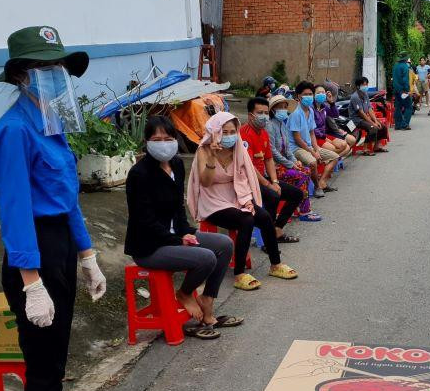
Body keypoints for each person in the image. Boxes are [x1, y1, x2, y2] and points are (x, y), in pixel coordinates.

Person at [0, 25, 109, 391]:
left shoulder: (49, 123)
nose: (56, 76)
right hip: (33, 254)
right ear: (21, 75)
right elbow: (15, 209)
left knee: (48, 366)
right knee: (44, 373)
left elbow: (66, 196)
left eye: (59, 67)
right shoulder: (13, 130)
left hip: (57, 245)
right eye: (45, 68)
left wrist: (87, 255)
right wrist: (31, 281)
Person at [125, 115, 242, 341]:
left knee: (224, 245)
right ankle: (185, 293)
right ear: (147, 141)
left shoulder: (177, 164)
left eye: (167, 138)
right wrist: (179, 241)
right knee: (206, 257)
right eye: (156, 139)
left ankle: (208, 298)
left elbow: (178, 206)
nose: (163, 143)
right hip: (149, 246)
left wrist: (186, 231)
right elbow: (144, 221)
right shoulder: (139, 174)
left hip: (174, 236)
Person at [187, 112, 298, 290]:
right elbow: (206, 182)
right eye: (225, 132)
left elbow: (245, 177)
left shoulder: (238, 148)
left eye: (233, 132)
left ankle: (275, 264)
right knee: (246, 220)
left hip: (236, 197)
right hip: (213, 201)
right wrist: (212, 159)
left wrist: (248, 199)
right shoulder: (204, 150)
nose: (230, 136)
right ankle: (239, 274)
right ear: (215, 132)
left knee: (264, 217)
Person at [240, 97, 303, 243]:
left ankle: (277, 230)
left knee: (296, 194)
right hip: (248, 181)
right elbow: (249, 166)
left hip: (263, 179)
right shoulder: (244, 134)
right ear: (251, 115)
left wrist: (274, 181)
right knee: (273, 196)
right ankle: (267, 240)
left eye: (266, 112)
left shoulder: (263, 133)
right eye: (260, 112)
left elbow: (268, 159)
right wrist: (269, 185)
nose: (264, 116)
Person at [266, 95, 320, 222]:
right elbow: (273, 151)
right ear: (273, 110)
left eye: (285, 107)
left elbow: (288, 149)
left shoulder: (282, 125)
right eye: (280, 107)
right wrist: (290, 164)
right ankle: (303, 210)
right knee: (302, 175)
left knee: (305, 170)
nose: (283, 110)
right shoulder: (269, 126)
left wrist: (294, 161)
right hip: (273, 167)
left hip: (284, 163)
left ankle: (301, 207)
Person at [287, 81, 338, 198]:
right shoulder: (296, 113)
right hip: (296, 148)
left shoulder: (310, 110)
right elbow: (297, 139)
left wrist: (316, 148)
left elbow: (312, 133)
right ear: (299, 96)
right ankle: (317, 187)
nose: (309, 97)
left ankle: (322, 182)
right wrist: (313, 152)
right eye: (306, 94)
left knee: (334, 157)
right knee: (312, 162)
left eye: (311, 94)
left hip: (309, 146)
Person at [349, 76, 388, 155]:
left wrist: (376, 121)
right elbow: (361, 113)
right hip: (356, 120)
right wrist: (373, 123)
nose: (365, 86)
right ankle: (365, 149)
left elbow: (370, 109)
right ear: (358, 86)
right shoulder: (355, 97)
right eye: (364, 85)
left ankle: (377, 146)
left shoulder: (365, 94)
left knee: (382, 126)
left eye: (366, 84)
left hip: (364, 118)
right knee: (372, 128)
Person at [313, 85, 352, 158]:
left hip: (324, 135)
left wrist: (331, 102)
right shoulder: (311, 109)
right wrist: (325, 138)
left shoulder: (323, 106)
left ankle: (332, 160)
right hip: (316, 137)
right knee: (335, 149)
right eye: (318, 93)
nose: (321, 94)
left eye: (323, 92)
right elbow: (312, 129)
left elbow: (335, 114)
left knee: (346, 147)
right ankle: (332, 159)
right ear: (313, 95)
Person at [323, 87, 358, 153]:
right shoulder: (321, 106)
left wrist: (332, 102)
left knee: (351, 134)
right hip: (330, 131)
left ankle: (336, 158)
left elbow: (336, 115)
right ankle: (335, 158)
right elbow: (331, 122)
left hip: (339, 125)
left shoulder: (329, 104)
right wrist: (338, 131)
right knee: (349, 142)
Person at [392, 52, 413, 130]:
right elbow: (405, 80)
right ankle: (404, 124)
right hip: (403, 90)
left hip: (396, 90)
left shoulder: (395, 66)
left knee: (398, 107)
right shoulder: (405, 66)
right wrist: (407, 90)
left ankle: (397, 125)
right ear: (406, 58)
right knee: (408, 107)